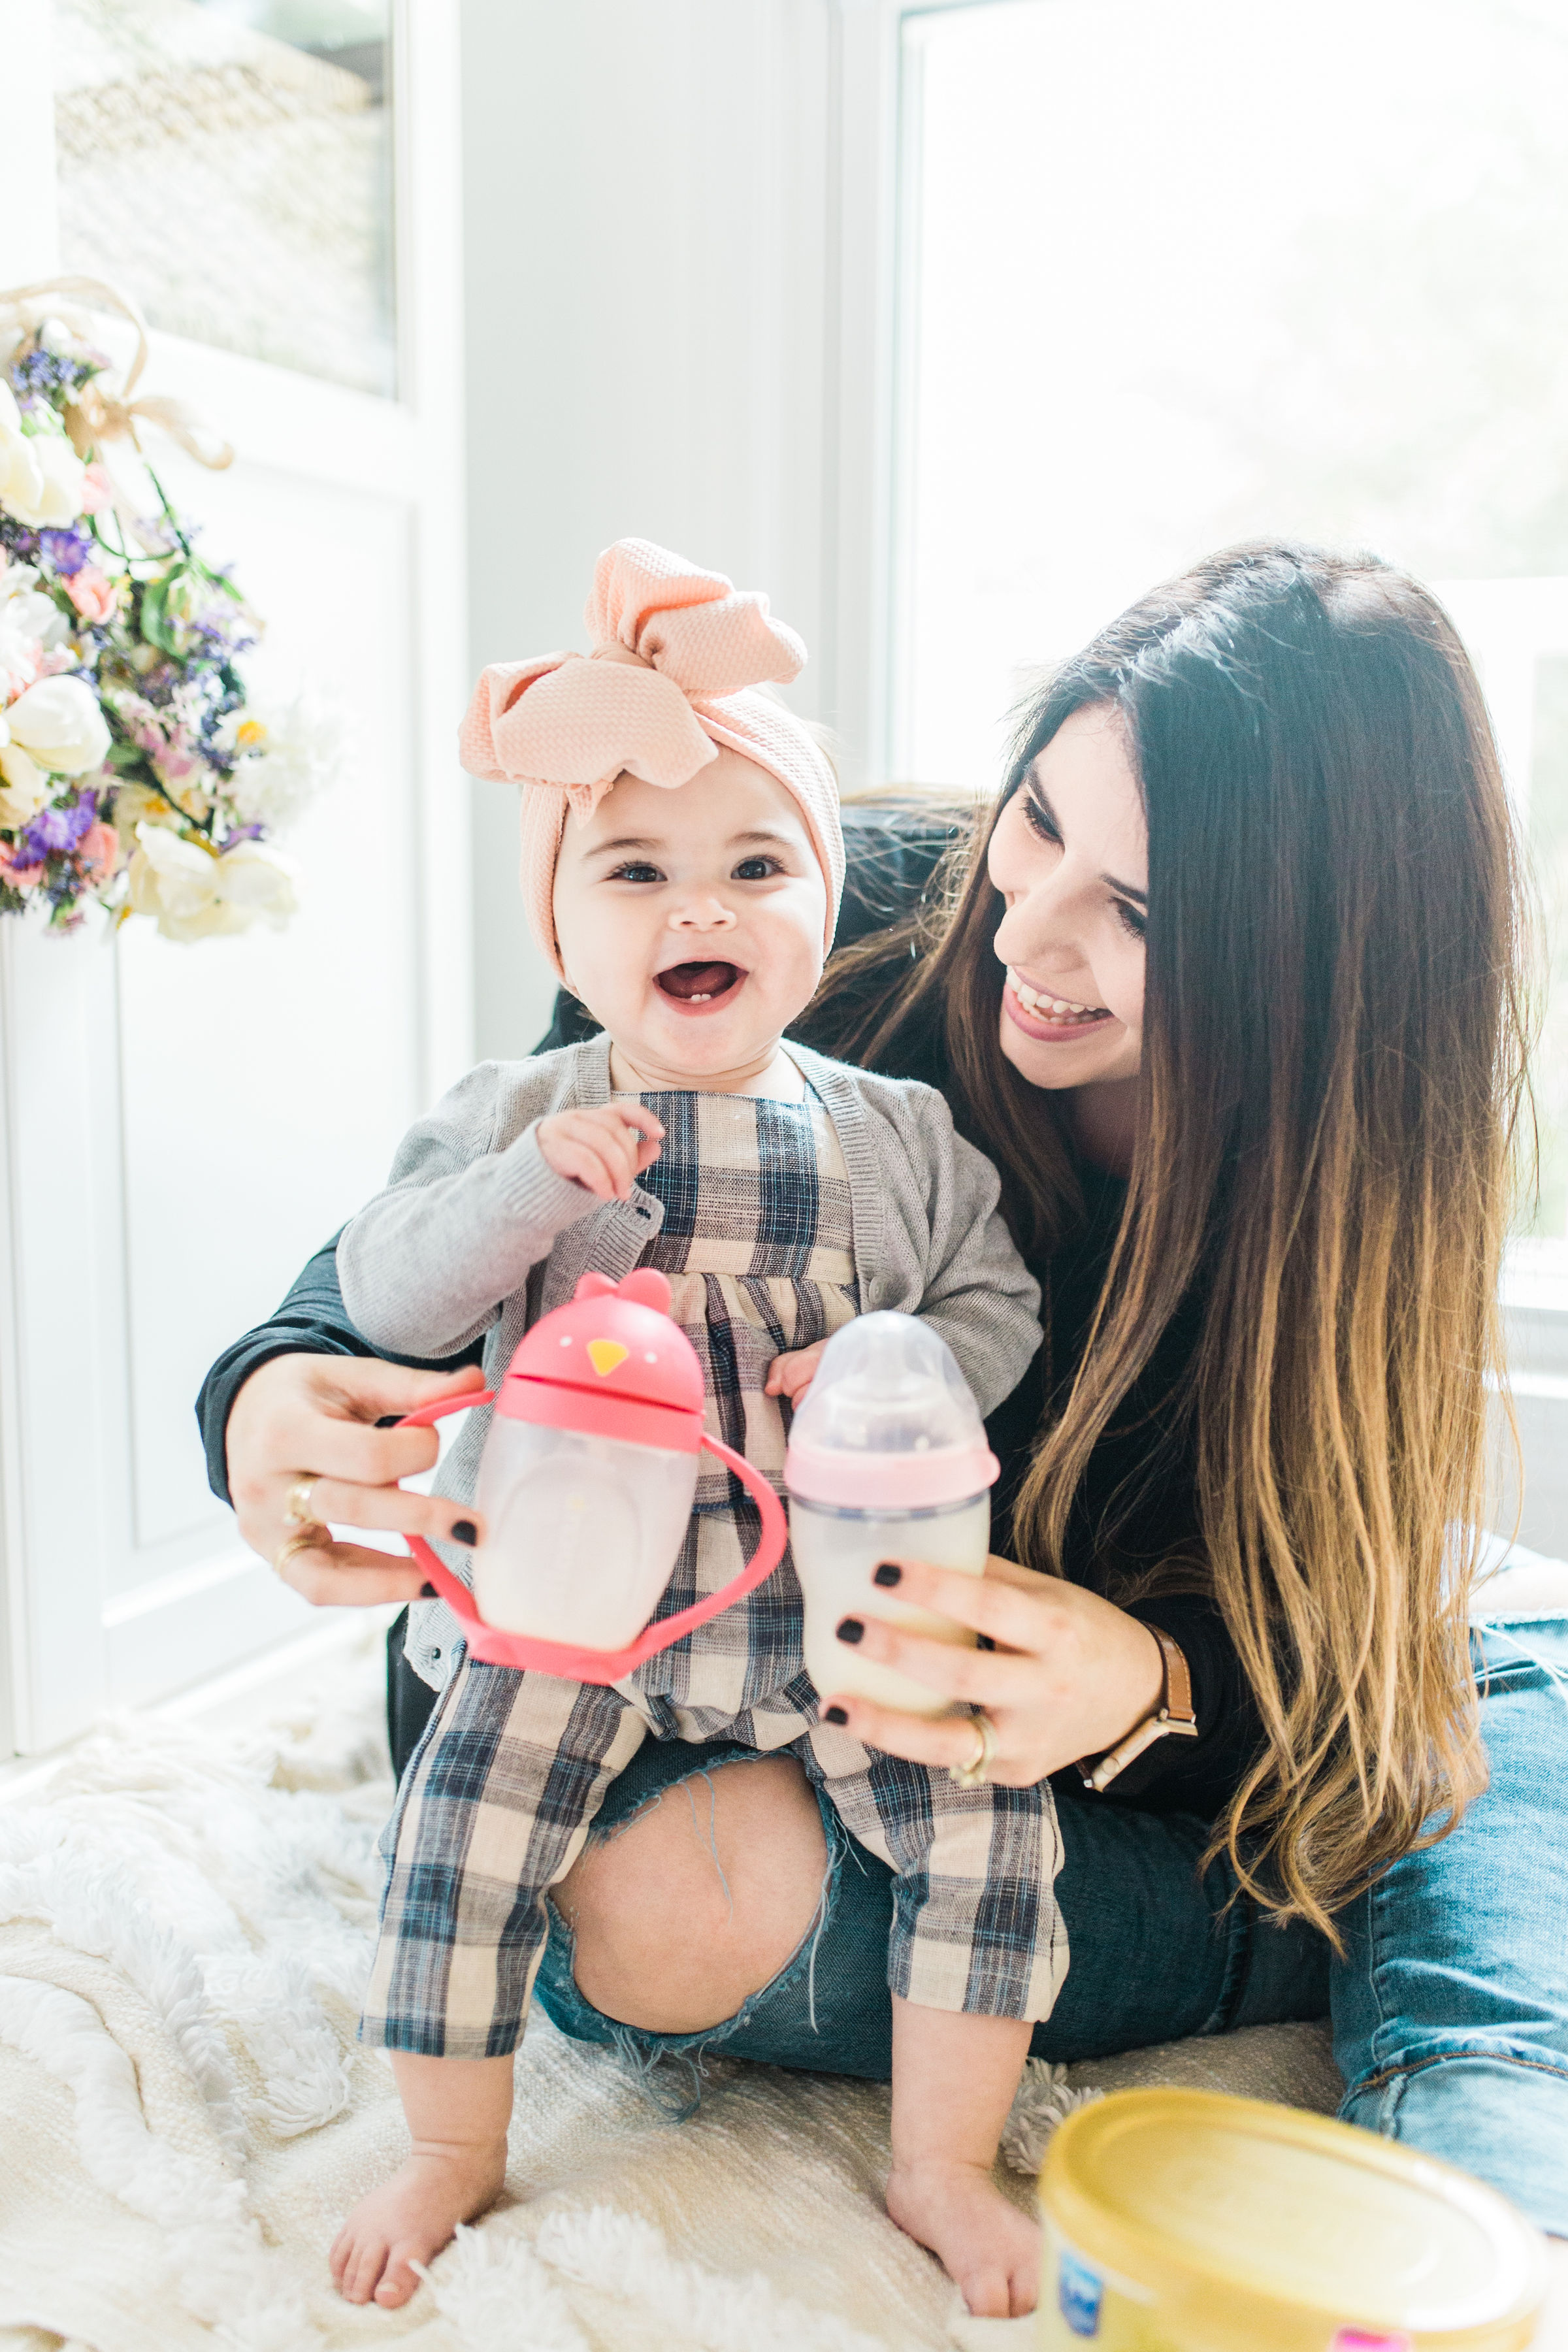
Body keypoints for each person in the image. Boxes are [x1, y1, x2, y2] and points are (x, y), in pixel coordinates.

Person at [200, 543, 1568, 2310]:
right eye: (1042, 819)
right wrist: (270, 1387)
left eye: (1144, 915)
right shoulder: (789, 897)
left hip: (1140, 1720)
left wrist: (1148, 1685)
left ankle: (1493, 2194)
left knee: (1448, 1719)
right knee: (651, 1917)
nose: (1036, 929)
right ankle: (1431, 1839)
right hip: (716, 1656)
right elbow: (441, 1224)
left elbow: (1322, 1668)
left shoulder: (1328, 1232)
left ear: (1322, 978)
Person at [322, 538, 1054, 2316]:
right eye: (635, 870)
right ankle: (448, 2142)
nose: (697, 908)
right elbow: (385, 1293)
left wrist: (914, 1355)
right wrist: (520, 1197)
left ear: (823, 900)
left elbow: (1002, 1304)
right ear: (561, 925)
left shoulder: (893, 1134)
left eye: (753, 865)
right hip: (573, 1599)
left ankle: (942, 2158)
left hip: (833, 1594)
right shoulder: (520, 1107)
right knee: (462, 1830)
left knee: (989, 1819)